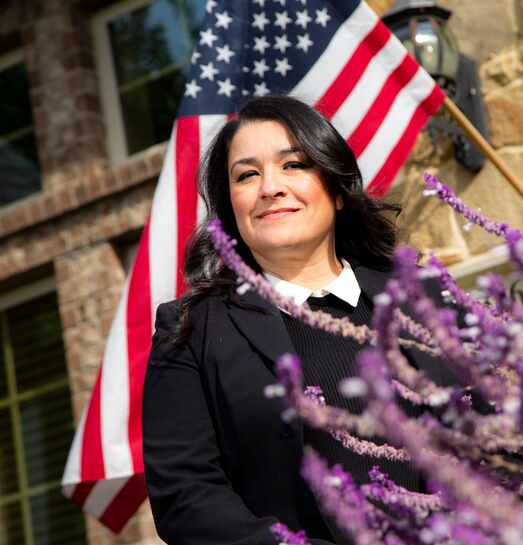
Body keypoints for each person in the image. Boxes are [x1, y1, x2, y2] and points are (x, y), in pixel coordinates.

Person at [142, 95, 464, 545]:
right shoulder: (191, 331)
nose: (270, 187)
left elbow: (503, 435)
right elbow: (186, 498)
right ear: (231, 207)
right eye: (247, 174)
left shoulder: (426, 296)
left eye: (292, 165)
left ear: (334, 189)